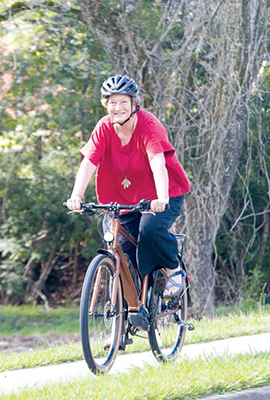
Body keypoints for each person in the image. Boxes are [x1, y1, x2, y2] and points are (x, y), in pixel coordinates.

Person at [66, 74, 191, 329]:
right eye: (112, 102)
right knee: (120, 248)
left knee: (150, 230)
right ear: (106, 105)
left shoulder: (148, 125)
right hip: (120, 201)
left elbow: (158, 162)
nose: (117, 108)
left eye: (123, 101)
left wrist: (162, 196)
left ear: (134, 103)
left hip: (162, 195)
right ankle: (131, 308)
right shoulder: (103, 128)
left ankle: (172, 269)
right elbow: (89, 162)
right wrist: (76, 195)